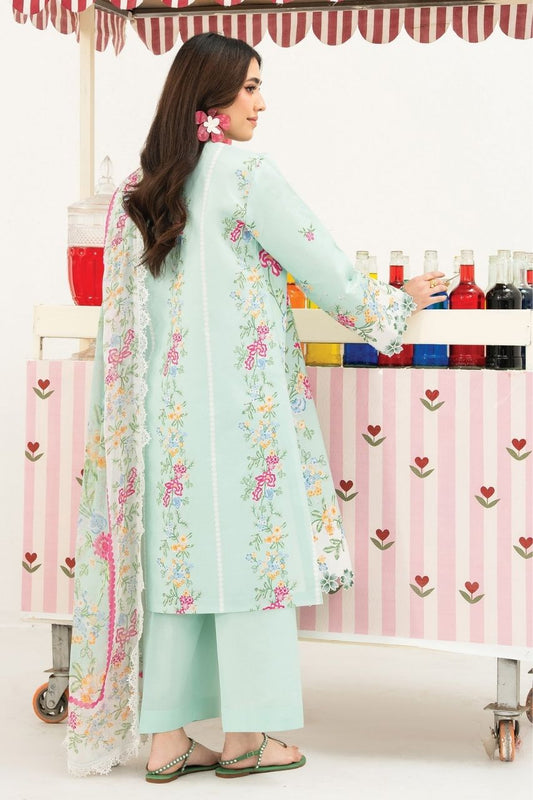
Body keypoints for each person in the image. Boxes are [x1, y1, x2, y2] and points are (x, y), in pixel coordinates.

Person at [66, 32, 447, 780]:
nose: (261, 103)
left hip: (163, 424)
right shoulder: (245, 174)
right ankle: (248, 738)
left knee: (177, 564)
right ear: (207, 98)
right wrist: (393, 302)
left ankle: (167, 740)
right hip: (241, 415)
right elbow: (324, 268)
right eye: (248, 87)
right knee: (253, 561)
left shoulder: (141, 191)